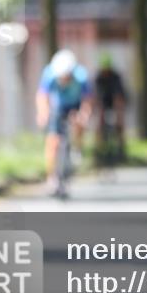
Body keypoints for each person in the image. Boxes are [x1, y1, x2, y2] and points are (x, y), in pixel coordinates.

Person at [35, 49, 93, 197]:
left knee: (79, 123)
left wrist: (84, 115)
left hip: (75, 104)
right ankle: (51, 177)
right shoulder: (49, 74)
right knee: (52, 140)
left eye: (66, 77)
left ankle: (77, 148)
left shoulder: (81, 76)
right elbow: (42, 96)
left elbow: (87, 100)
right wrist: (43, 114)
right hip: (58, 106)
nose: (64, 80)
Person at [94, 52, 128, 164]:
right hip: (103, 102)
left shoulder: (116, 77)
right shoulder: (98, 78)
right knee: (99, 123)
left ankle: (121, 147)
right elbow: (96, 96)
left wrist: (118, 111)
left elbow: (119, 95)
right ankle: (98, 149)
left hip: (115, 101)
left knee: (120, 121)